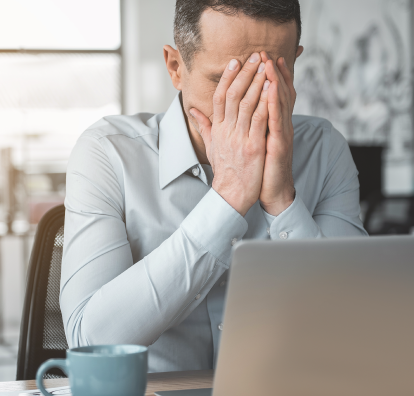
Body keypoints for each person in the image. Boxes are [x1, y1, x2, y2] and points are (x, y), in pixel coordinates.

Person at [60, 0, 367, 373]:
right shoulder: (108, 153)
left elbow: (356, 330)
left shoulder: (323, 148)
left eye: (266, 80)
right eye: (224, 81)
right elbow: (90, 340)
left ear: (294, 64)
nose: (247, 103)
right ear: (176, 67)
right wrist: (228, 197)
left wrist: (283, 202)